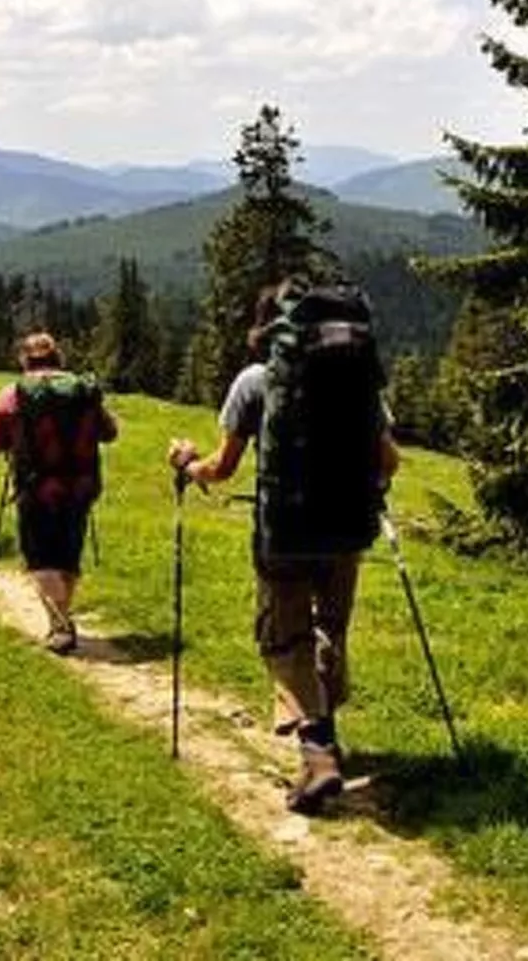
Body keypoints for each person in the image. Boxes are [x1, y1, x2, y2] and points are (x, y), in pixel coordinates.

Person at [168, 276, 399, 813]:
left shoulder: (255, 380)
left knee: (283, 636)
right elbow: (389, 460)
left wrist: (186, 464)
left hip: (286, 531)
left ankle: (317, 752)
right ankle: (325, 734)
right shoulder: (357, 379)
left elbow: (222, 468)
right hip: (347, 527)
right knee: (329, 628)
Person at [0, 332, 118, 654]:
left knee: (41, 560)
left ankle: (61, 625)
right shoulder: (83, 390)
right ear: (58, 358)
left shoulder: (13, 394)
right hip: (81, 487)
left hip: (36, 489)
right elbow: (110, 433)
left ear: (24, 361)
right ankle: (61, 620)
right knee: (67, 556)